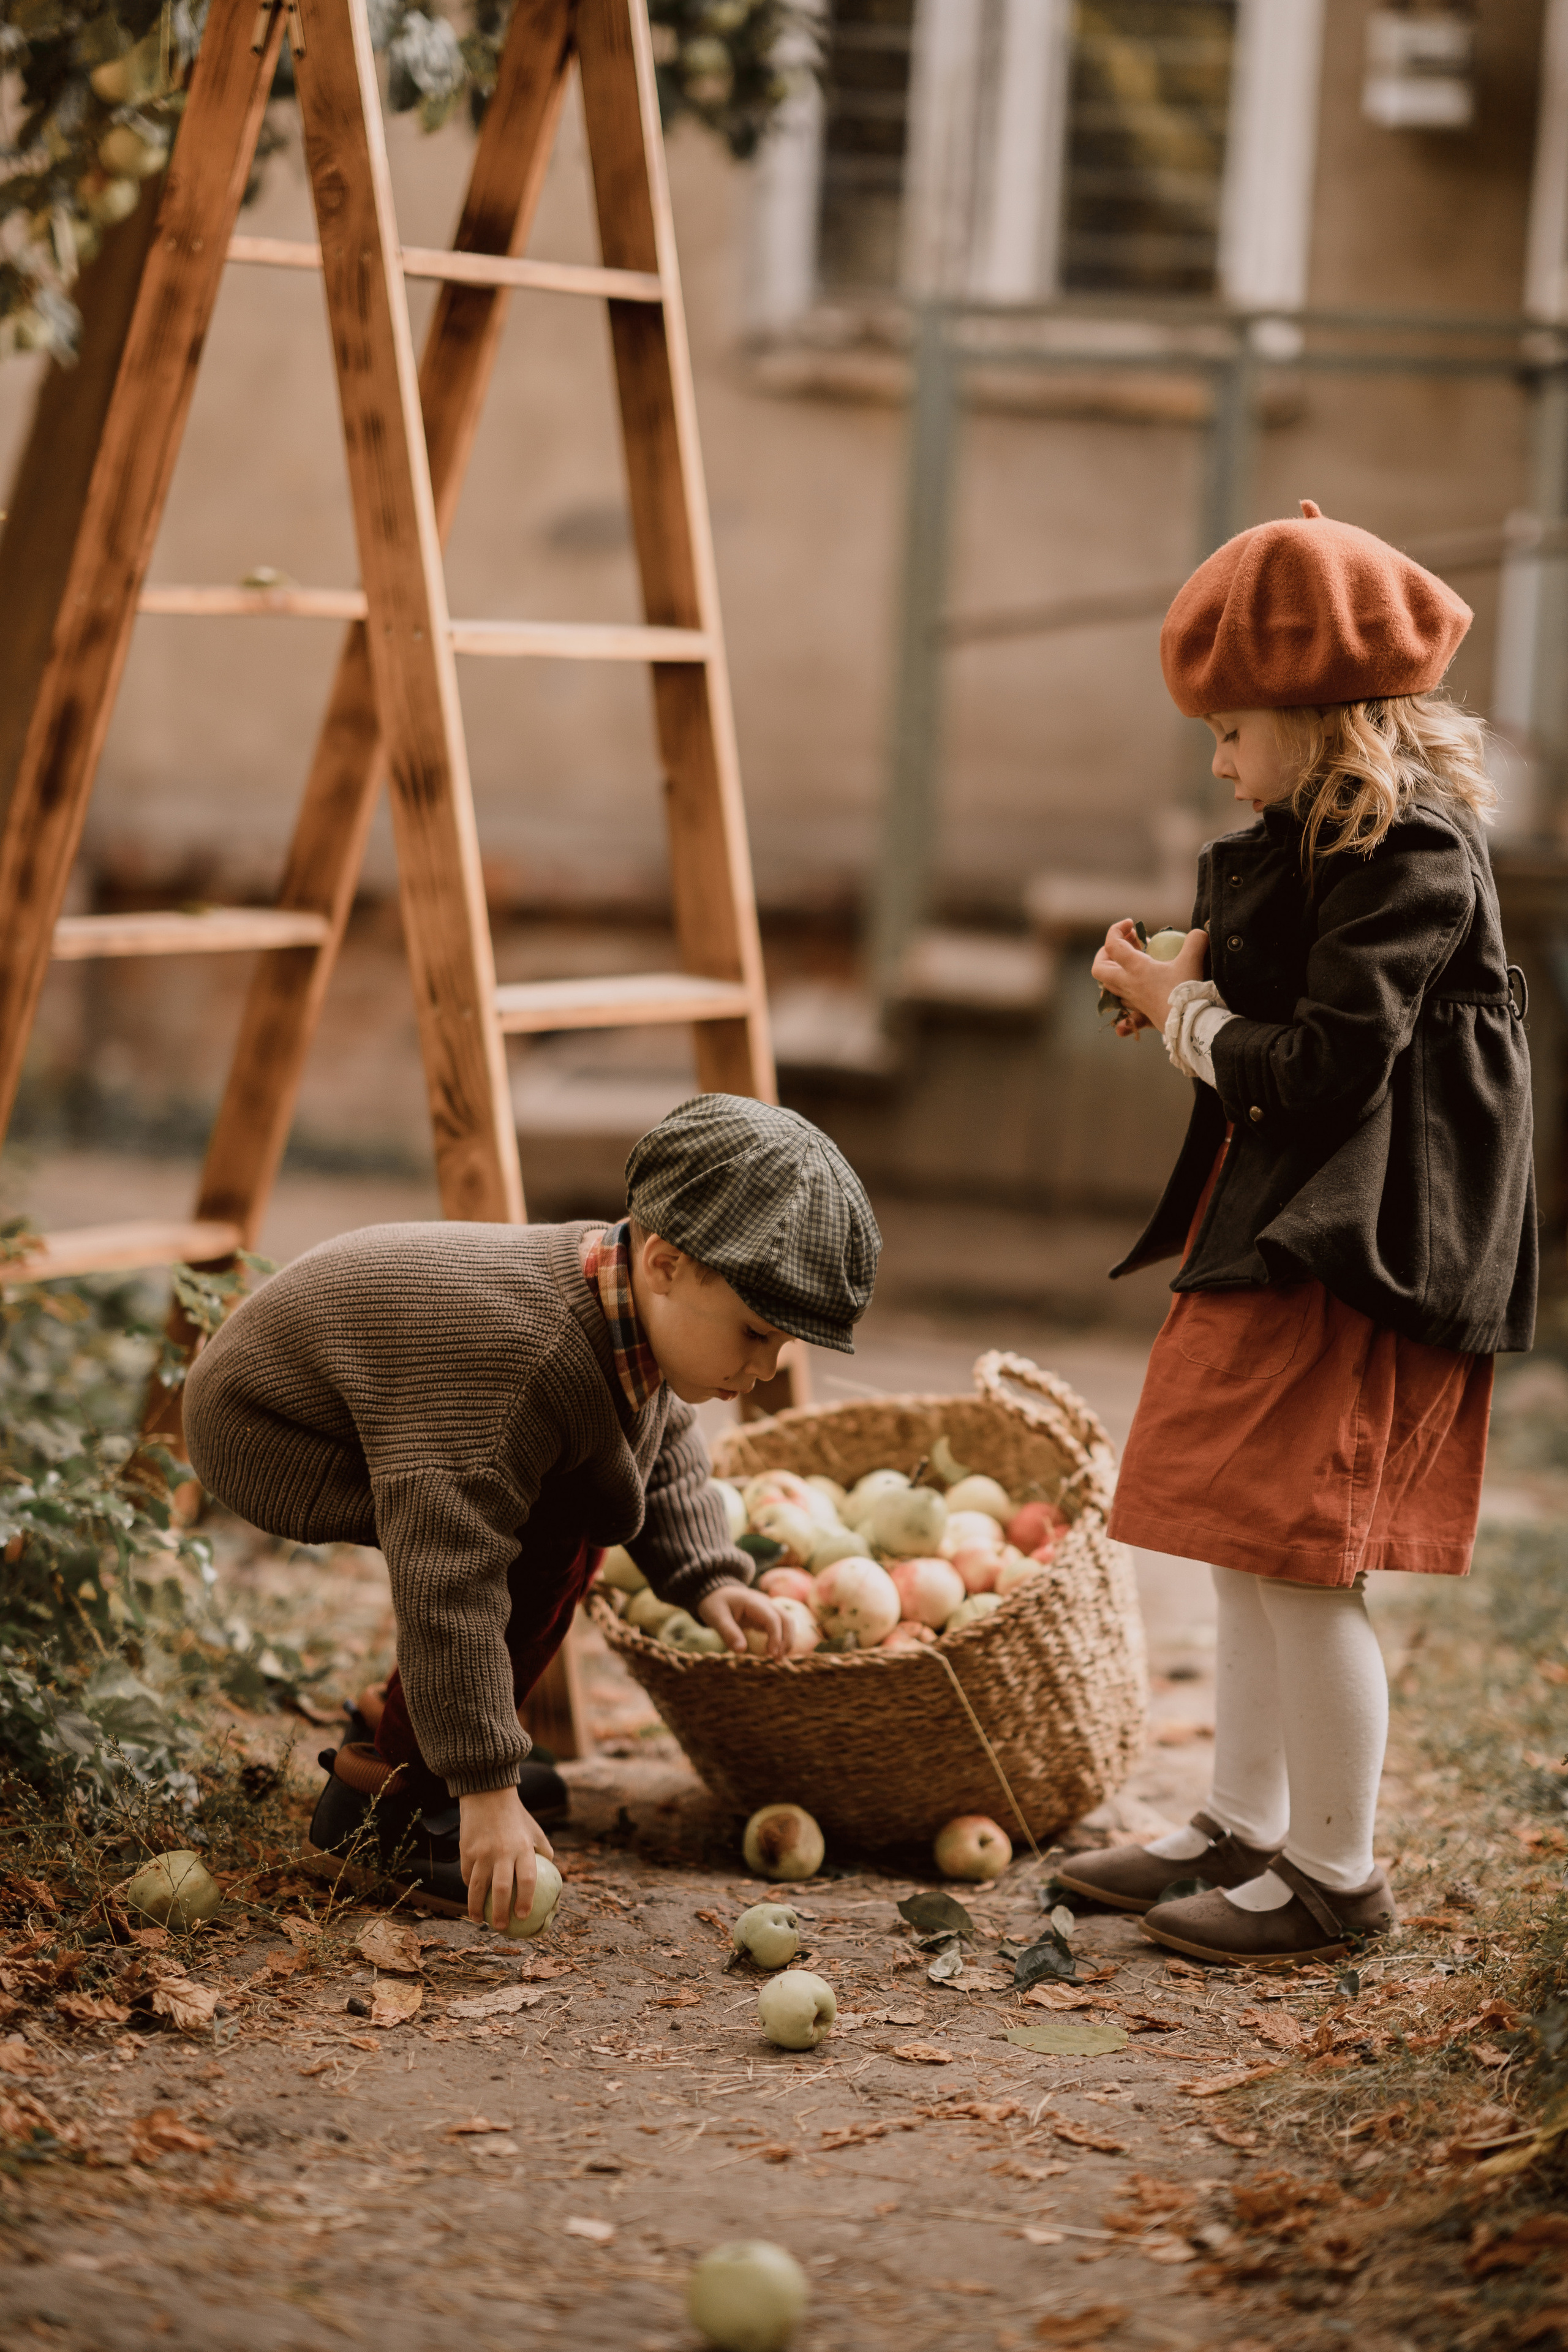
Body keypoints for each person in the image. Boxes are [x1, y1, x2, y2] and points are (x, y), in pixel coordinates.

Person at [1062, 500, 1536, 1966]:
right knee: (1235, 1529)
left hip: (1353, 1244)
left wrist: (1182, 1014)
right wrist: (1196, 983)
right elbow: (1283, 1026)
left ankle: (1333, 1874)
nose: (1213, 759)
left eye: (1230, 728)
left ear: (1326, 726)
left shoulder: (1411, 856)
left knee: (1302, 1554)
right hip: (1279, 1217)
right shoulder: (1323, 840)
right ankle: (1238, 1825)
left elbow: (1327, 1070)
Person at [183, 1094, 880, 1929]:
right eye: (756, 1334)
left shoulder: (629, 1298)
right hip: (274, 1424)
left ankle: (420, 1724)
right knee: (537, 1539)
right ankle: (386, 1805)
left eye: (783, 1346)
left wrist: (706, 1576)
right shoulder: (528, 1363)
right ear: (663, 1264)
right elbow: (450, 1574)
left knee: (576, 1505)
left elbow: (660, 1441)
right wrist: (487, 1787)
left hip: (386, 1408)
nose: (767, 1366)